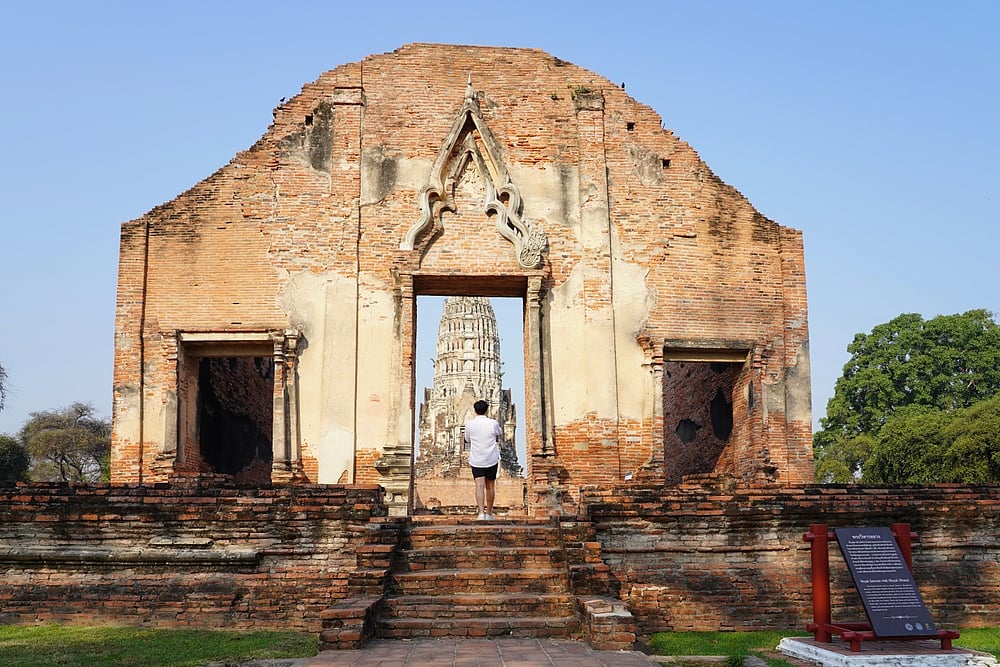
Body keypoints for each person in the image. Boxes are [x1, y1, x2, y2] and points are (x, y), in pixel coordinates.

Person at [464, 399, 501, 521]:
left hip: (477, 459)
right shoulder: (493, 423)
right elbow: (499, 433)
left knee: (479, 486)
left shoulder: (470, 424)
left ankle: (481, 513)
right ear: (487, 410)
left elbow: (467, 439)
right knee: (490, 486)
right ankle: (489, 513)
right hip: (491, 458)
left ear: (475, 411)